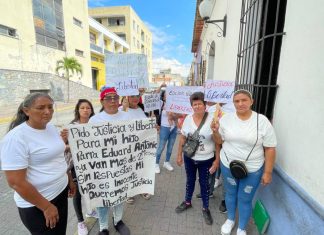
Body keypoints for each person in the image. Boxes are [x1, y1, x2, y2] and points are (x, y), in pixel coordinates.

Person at [0, 92, 76, 235]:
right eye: (41, 108)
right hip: (38, 204)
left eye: (50, 107)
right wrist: (46, 207)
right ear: (26, 110)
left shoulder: (51, 128)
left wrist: (69, 179)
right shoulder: (16, 138)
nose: (47, 111)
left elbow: (58, 157)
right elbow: (16, 182)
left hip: (60, 193)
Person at [212, 89, 277, 235]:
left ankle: (241, 227)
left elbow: (270, 148)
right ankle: (230, 220)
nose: (240, 103)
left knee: (245, 198)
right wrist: (215, 132)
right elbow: (219, 141)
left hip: (252, 169)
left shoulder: (262, 121)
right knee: (230, 194)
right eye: (236, 101)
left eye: (244, 100)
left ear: (251, 101)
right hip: (228, 165)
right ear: (233, 103)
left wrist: (268, 172)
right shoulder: (225, 119)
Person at [89, 87, 130, 235]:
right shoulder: (94, 120)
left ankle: (118, 221)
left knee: (119, 194)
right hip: (101, 167)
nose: (112, 101)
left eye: (115, 97)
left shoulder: (126, 117)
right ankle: (103, 227)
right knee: (102, 199)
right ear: (102, 101)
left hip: (121, 165)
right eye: (108, 98)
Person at [175, 92, 219, 225]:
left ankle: (206, 208)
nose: (197, 106)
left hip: (207, 159)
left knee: (205, 184)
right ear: (191, 106)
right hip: (190, 157)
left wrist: (217, 161)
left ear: (205, 105)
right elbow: (182, 137)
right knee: (190, 180)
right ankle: (187, 202)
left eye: (200, 103)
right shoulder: (188, 118)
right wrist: (178, 155)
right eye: (194, 104)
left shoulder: (213, 119)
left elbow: (218, 142)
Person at [67, 99, 96, 235]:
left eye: (88, 108)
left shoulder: (95, 124)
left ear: (91, 110)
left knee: (90, 189)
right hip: (76, 167)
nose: (85, 110)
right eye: (82, 108)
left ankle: (90, 210)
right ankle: (80, 222)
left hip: (92, 165)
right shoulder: (71, 127)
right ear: (78, 110)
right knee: (78, 194)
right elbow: (65, 148)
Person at [119, 93, 152, 204]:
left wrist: (152, 124)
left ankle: (142, 189)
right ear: (127, 97)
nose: (135, 98)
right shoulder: (122, 110)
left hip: (141, 146)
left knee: (141, 168)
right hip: (127, 147)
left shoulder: (141, 109)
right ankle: (129, 193)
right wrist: (124, 109)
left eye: (137, 96)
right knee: (129, 170)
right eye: (132, 96)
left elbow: (145, 125)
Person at [155, 90, 180, 173]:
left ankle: (166, 162)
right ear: (164, 97)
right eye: (166, 95)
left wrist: (173, 115)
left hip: (174, 128)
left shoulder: (176, 104)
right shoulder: (161, 103)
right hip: (164, 128)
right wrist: (161, 87)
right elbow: (153, 98)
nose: (168, 96)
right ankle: (156, 163)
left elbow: (181, 115)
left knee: (170, 147)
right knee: (161, 147)